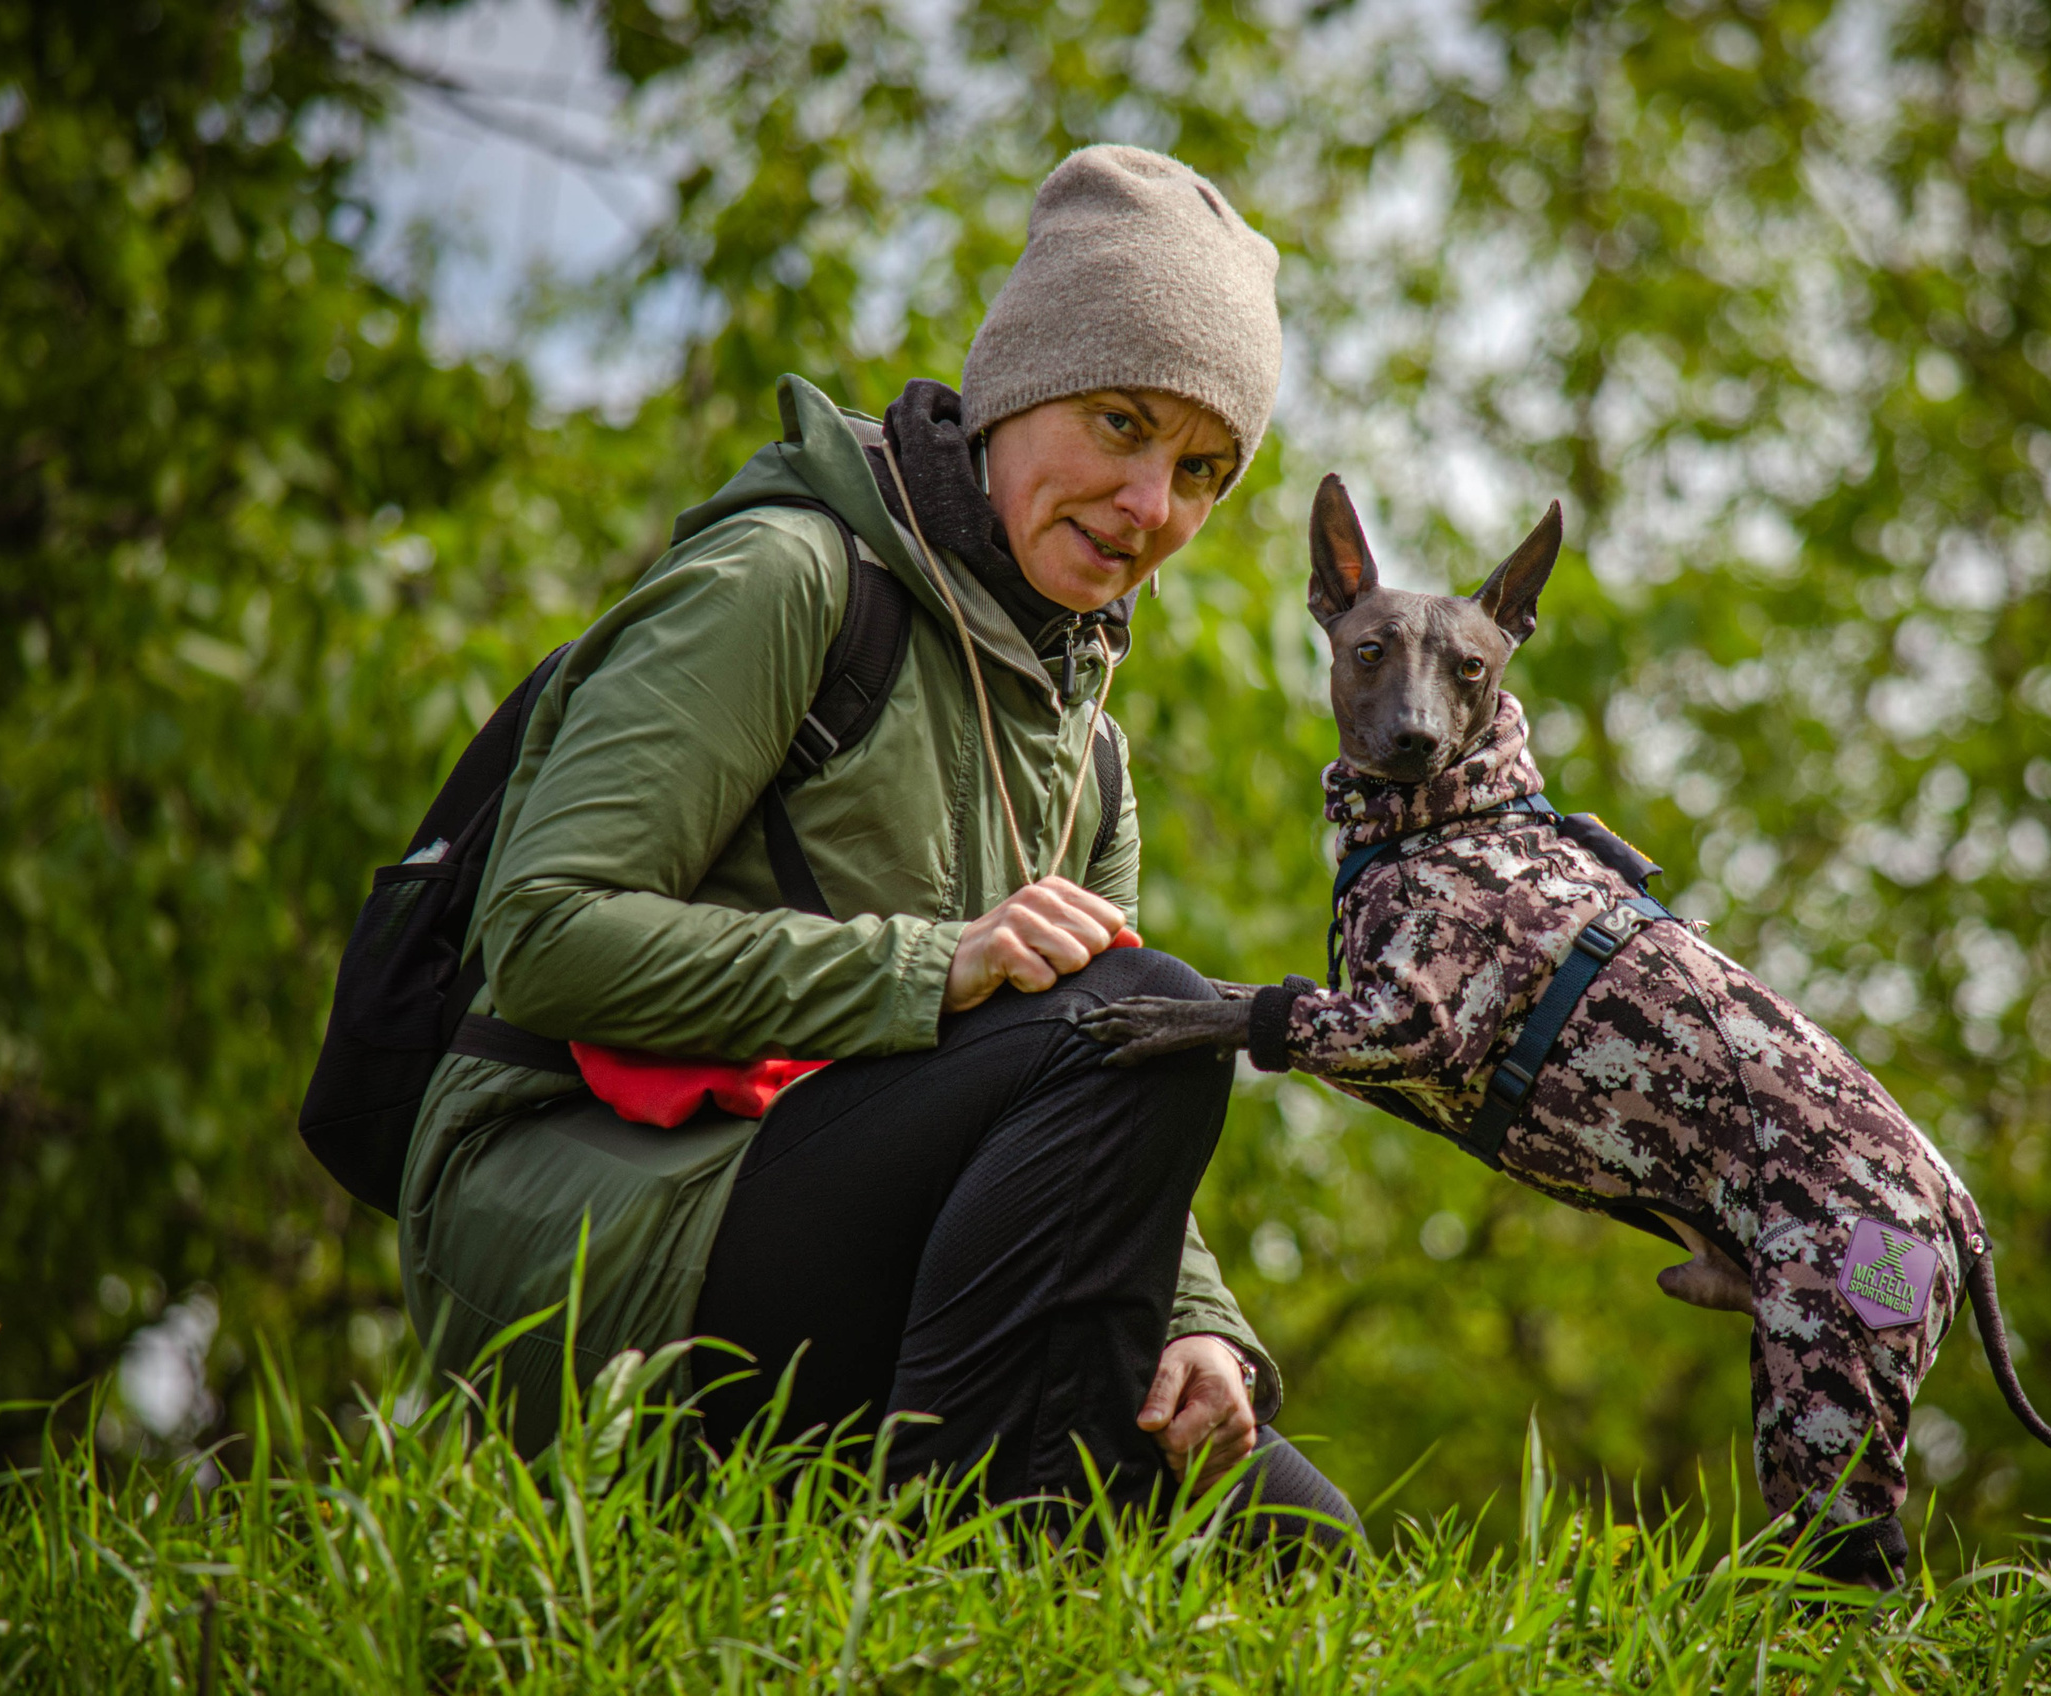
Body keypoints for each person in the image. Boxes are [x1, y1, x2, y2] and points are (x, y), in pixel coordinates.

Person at [395, 145, 1355, 1535]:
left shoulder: (1088, 752)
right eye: (1122, 424)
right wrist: (928, 970)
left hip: (863, 1236)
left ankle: (956, 1553)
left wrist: (1201, 1325)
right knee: (1152, 1009)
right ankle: (933, 1593)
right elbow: (540, 937)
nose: (1156, 509)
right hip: (585, 1226)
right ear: (1019, 387)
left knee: (1298, 1544)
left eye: (1205, 469)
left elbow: (1094, 1109)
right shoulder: (786, 582)